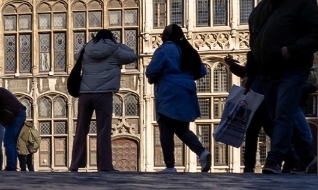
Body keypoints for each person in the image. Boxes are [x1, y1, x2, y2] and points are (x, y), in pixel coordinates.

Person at [244, 0, 318, 174]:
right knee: (272, 118)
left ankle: (274, 160)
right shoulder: (261, 9)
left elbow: (317, 35)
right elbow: (254, 42)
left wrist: (293, 49)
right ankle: (306, 156)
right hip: (267, 72)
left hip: (293, 69)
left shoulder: (302, 1)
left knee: (283, 112)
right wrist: (249, 73)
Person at [69, 28, 138, 172]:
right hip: (104, 94)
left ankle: (75, 163)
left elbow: (76, 56)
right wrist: (118, 44)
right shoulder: (115, 50)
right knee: (104, 130)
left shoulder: (87, 48)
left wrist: (88, 43)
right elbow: (132, 56)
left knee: (81, 129)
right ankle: (105, 166)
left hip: (85, 93)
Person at [147, 24, 211, 173]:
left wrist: (156, 77)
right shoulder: (188, 50)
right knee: (182, 128)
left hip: (169, 91)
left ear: (167, 35)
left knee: (166, 129)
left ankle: (170, 166)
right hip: (187, 91)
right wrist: (187, 78)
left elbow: (152, 70)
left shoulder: (164, 50)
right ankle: (202, 152)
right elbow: (202, 70)